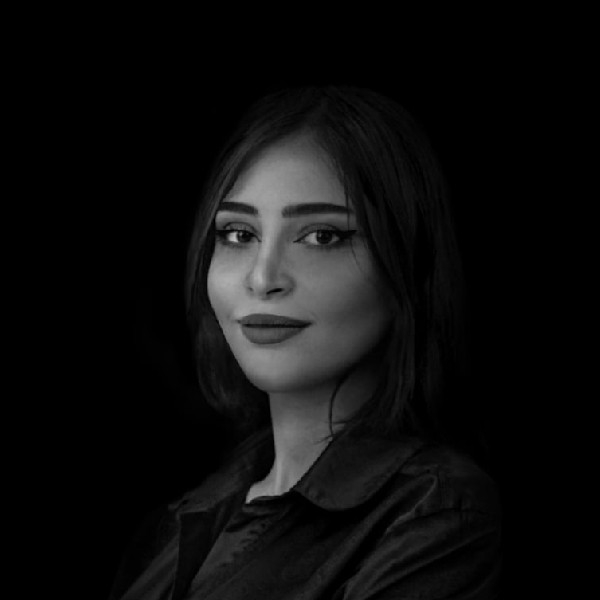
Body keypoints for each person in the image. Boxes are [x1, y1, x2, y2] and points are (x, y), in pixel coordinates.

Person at [109, 84, 502, 599]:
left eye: (322, 236)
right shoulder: (180, 522)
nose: (262, 278)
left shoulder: (438, 516)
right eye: (238, 234)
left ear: (408, 262)